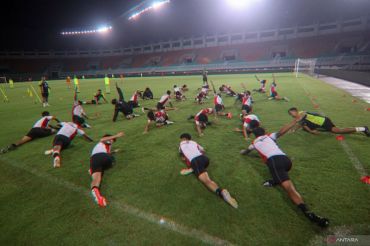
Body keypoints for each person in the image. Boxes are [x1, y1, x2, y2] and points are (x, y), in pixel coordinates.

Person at [240, 120, 330, 227]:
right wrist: (294, 121)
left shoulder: (254, 143)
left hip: (275, 163)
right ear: (264, 131)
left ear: (255, 135)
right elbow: (282, 131)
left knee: (289, 189)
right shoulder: (269, 136)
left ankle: (310, 215)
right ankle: (275, 181)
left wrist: (243, 152)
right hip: (287, 161)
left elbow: (246, 151)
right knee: (281, 175)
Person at [178, 133, 238, 208]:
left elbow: (183, 157)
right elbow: (203, 150)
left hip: (196, 162)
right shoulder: (194, 142)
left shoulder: (180, 145)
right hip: (205, 159)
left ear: (183, 138)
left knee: (207, 181)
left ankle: (221, 192)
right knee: (199, 168)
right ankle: (194, 169)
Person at [89, 132, 124, 207]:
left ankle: (96, 192)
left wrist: (114, 151)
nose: (112, 141)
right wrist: (116, 136)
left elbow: (105, 152)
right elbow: (102, 139)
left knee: (96, 179)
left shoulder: (101, 146)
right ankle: (94, 170)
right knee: (111, 161)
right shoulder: (106, 141)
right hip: (105, 158)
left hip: (94, 159)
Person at [288, 107, 370, 136]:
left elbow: (302, 120)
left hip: (324, 122)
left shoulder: (302, 113)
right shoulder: (299, 117)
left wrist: (312, 131)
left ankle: (363, 128)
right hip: (320, 122)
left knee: (338, 131)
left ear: (296, 111)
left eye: (292, 113)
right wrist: (294, 129)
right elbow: (301, 124)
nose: (292, 115)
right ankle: (316, 129)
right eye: (290, 114)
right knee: (304, 128)